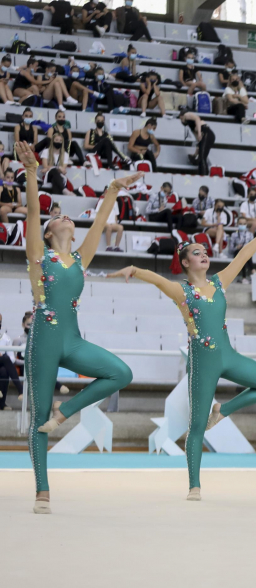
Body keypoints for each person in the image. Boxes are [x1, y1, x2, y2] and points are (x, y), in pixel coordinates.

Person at [109, 221, 256, 500]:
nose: (204, 254)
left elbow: (242, 256)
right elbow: (158, 280)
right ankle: (194, 485)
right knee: (197, 426)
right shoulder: (182, 292)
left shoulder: (219, 281)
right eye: (196, 252)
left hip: (229, 356)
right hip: (203, 364)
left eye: (205, 250)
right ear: (186, 262)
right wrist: (134, 269)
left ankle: (223, 410)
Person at [15, 142, 138, 514]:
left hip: (73, 339)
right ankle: (42, 492)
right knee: (37, 419)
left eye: (67, 215)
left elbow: (100, 222)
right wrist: (33, 172)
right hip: (44, 342)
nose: (64, 216)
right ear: (50, 232)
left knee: (121, 372)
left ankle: (64, 413)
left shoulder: (80, 258)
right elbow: (34, 210)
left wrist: (113, 189)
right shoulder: (39, 254)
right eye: (58, 217)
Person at [179, 109, 215, 176]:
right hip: (207, 135)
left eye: (180, 119)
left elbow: (197, 118)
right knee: (202, 157)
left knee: (202, 158)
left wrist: (199, 132)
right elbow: (199, 142)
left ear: (181, 116)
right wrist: (195, 154)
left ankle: (203, 176)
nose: (181, 121)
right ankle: (203, 174)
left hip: (205, 132)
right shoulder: (191, 127)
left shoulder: (186, 115)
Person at [0, 312, 24, 410]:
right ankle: (20, 389)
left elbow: (12, 358)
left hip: (2, 363)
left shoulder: (5, 338)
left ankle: (1, 404)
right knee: (5, 358)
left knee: (4, 371)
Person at [225, 216, 256, 282]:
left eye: (244, 224)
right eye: (240, 224)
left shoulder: (250, 234)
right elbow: (230, 250)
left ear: (246, 224)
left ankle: (244, 277)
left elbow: (253, 247)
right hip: (237, 253)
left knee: (245, 254)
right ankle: (253, 271)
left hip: (247, 253)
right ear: (237, 224)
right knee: (242, 254)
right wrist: (236, 247)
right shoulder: (234, 235)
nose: (242, 225)